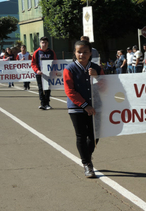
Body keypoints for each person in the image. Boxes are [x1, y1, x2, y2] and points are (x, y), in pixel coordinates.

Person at [63, 40, 104, 178]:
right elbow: (70, 91)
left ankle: (86, 155)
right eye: (79, 52)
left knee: (95, 135)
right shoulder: (69, 69)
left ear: (90, 53)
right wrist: (85, 106)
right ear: (75, 53)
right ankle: (87, 164)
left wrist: (97, 77)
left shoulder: (96, 68)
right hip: (77, 108)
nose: (82, 54)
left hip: (95, 107)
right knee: (81, 135)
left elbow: (105, 86)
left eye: (85, 52)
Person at [31, 36, 57, 110]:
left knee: (47, 89)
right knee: (40, 88)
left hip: (49, 74)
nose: (44, 44)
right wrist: (37, 70)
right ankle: (42, 103)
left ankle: (47, 103)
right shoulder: (36, 52)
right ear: (40, 43)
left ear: (48, 43)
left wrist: (54, 72)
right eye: (42, 42)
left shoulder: (51, 52)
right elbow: (33, 63)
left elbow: (55, 62)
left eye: (45, 43)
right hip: (39, 74)